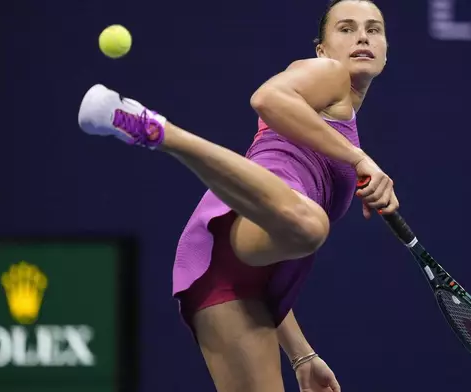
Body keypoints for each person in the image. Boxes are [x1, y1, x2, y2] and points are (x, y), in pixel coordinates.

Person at [77, 0, 396, 391]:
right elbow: (267, 98)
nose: (362, 36)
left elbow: (273, 259)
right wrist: (359, 158)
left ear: (385, 49)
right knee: (312, 226)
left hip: (232, 281)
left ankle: (159, 132)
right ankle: (160, 131)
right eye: (346, 28)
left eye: (373, 29)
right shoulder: (326, 74)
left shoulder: (340, 122)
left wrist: (301, 355)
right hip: (233, 226)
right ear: (322, 50)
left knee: (307, 227)